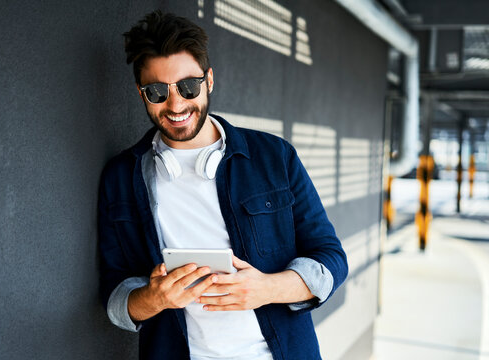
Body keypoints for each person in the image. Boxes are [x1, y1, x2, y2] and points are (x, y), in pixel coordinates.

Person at [98, 10, 348, 360]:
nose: (176, 104)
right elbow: (115, 297)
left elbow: (331, 261)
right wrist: (153, 299)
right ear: (141, 93)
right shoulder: (121, 178)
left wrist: (267, 289)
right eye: (157, 91)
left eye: (188, 86)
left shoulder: (275, 156)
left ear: (209, 81)